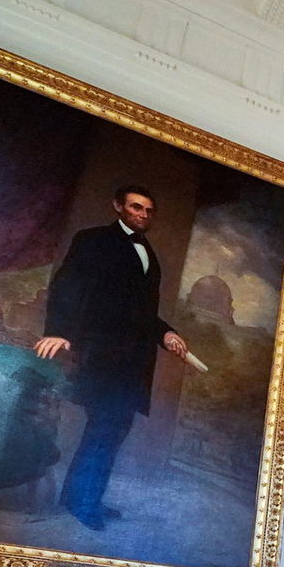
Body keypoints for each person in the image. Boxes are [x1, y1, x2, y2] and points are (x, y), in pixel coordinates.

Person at [35, 185, 188, 529]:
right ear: (118, 206)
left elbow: (141, 312)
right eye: (136, 207)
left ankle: (81, 497)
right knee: (104, 429)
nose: (143, 214)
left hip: (133, 362)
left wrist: (166, 333)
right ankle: (84, 503)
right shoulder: (93, 240)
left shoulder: (148, 253)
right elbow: (66, 286)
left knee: (112, 431)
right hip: (102, 355)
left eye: (148, 210)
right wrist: (57, 330)